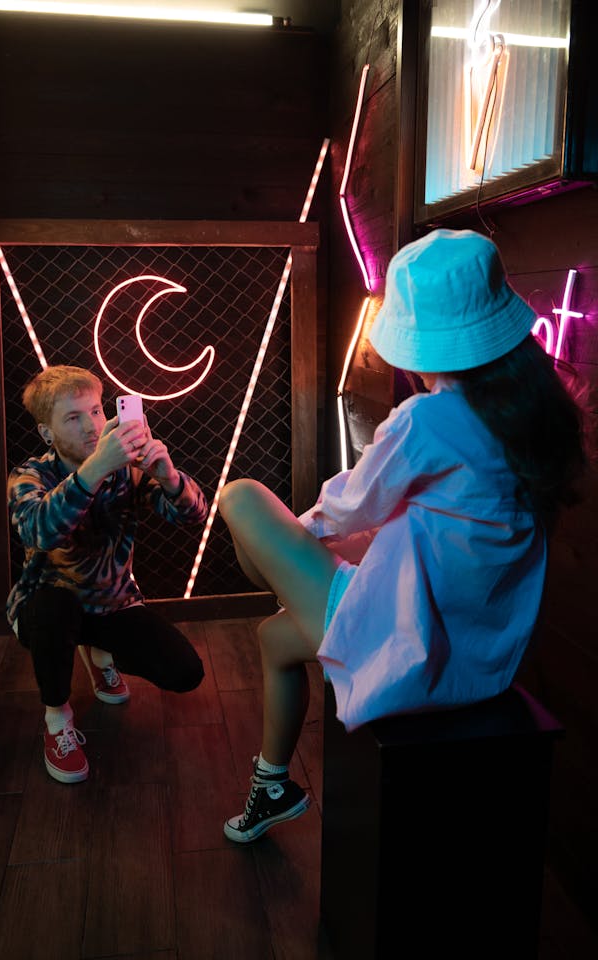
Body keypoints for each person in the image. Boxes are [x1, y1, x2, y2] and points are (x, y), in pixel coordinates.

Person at [217, 228, 586, 843]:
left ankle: (266, 575)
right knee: (276, 639)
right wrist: (320, 549)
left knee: (242, 498)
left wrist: (292, 543)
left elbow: (351, 506)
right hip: (482, 655)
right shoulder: (535, 414)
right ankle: (271, 784)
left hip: (415, 650)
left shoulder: (429, 417)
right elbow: (428, 528)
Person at [7, 365, 208, 784]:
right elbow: (39, 530)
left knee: (185, 671)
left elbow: (192, 514)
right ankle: (57, 718)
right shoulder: (31, 475)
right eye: (73, 418)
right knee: (53, 607)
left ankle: (98, 656)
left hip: (112, 602)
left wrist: (168, 475)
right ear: (47, 432)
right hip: (46, 607)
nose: (91, 426)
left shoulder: (127, 466)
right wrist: (97, 467)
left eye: (96, 411)